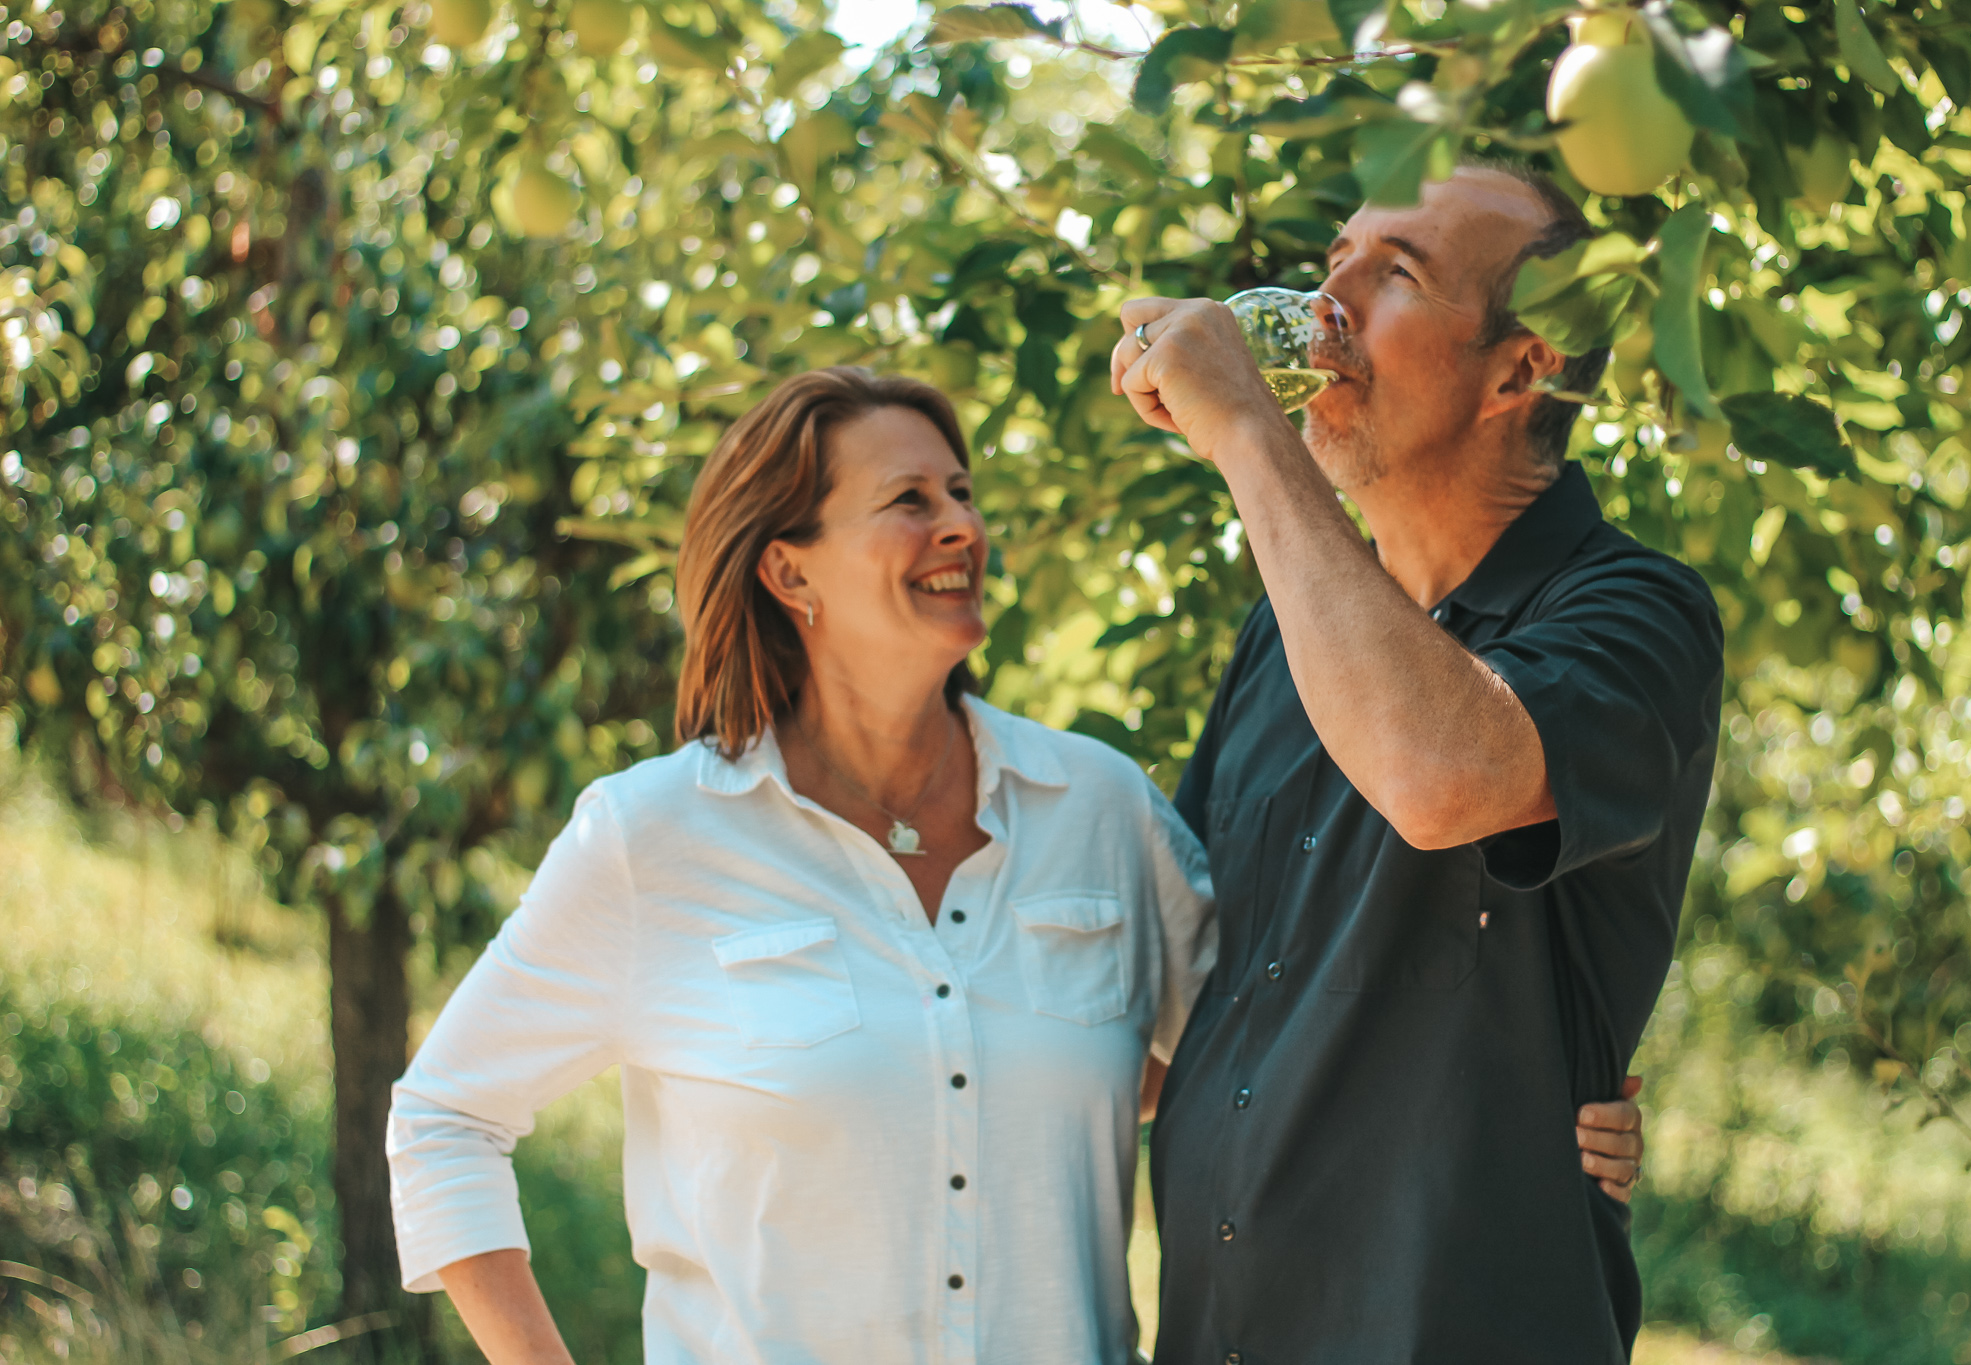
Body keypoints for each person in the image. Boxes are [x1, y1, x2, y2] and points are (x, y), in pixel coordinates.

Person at [386, 367, 1648, 1364]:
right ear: (787, 571)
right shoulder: (653, 838)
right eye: (907, 501)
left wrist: (1530, 1098)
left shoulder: (1097, 808)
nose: (960, 526)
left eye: (961, 492)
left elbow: (1273, 1040)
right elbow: (443, 1118)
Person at [1112, 163, 1721, 1364]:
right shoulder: (1279, 635)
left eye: (1393, 274)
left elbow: (1440, 778)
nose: (1323, 304)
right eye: (1333, 258)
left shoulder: (1637, 613)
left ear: (1520, 369)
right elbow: (1175, 1009)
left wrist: (1244, 428)